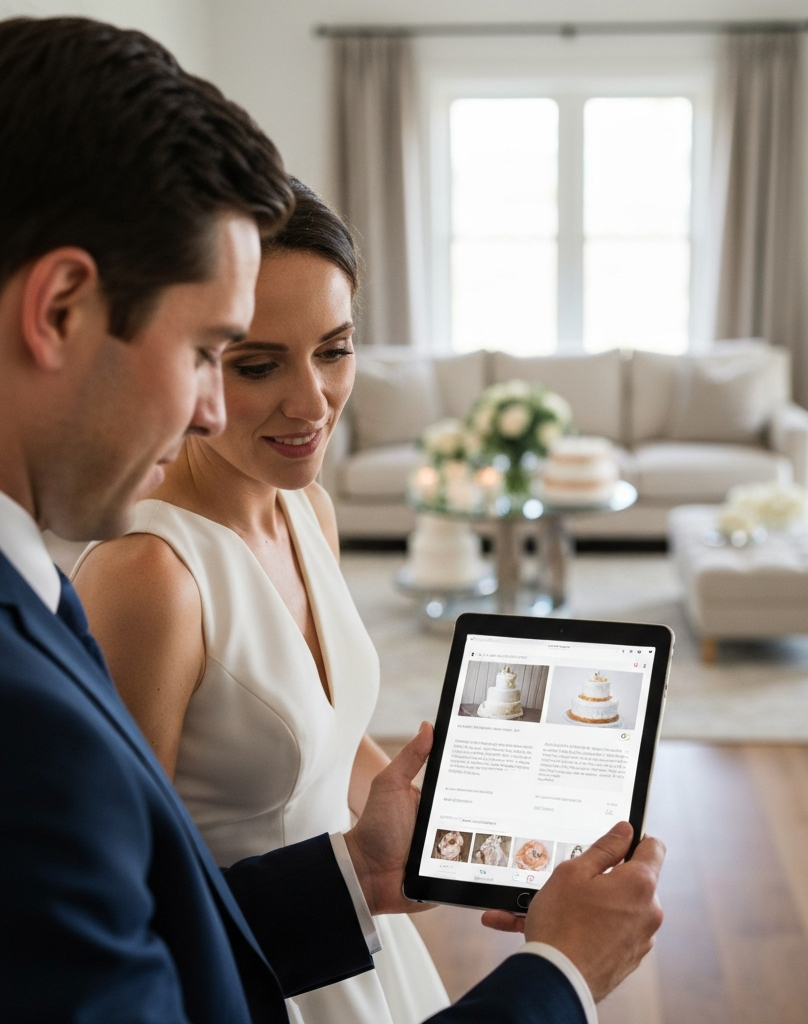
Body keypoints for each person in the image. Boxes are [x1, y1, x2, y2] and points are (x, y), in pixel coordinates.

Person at [0, 14, 666, 1024]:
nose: (216, 412)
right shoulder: (119, 597)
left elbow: (169, 903)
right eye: (222, 355)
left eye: (336, 349)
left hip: (352, 938)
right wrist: (561, 974)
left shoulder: (67, 585)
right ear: (58, 310)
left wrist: (366, 863)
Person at [72, 179, 450, 1024]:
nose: (312, 402)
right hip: (259, 974)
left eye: (335, 349)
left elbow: (324, 741)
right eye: (257, 364)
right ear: (190, 356)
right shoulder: (151, 576)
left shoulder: (306, 506)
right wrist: (352, 874)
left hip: (369, 950)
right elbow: (131, 893)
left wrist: (437, 829)